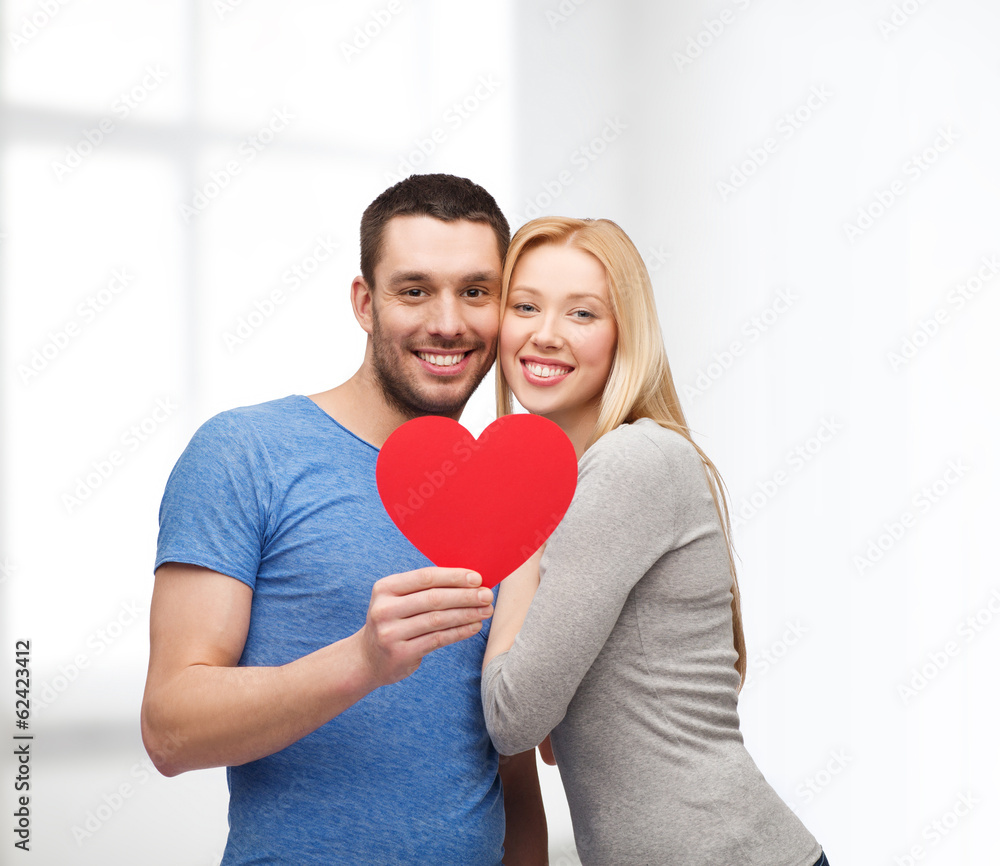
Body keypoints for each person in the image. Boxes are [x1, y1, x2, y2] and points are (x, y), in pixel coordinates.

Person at [141, 174, 547, 865]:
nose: (448, 322)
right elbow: (170, 729)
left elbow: (509, 765)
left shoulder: (508, 495)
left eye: (475, 291)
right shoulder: (245, 453)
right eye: (414, 290)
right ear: (365, 302)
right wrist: (361, 662)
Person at [480, 216, 829, 865]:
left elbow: (514, 719)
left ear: (624, 335)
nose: (545, 333)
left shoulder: (631, 463)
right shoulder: (592, 477)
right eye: (524, 306)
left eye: (581, 313)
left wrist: (518, 532)